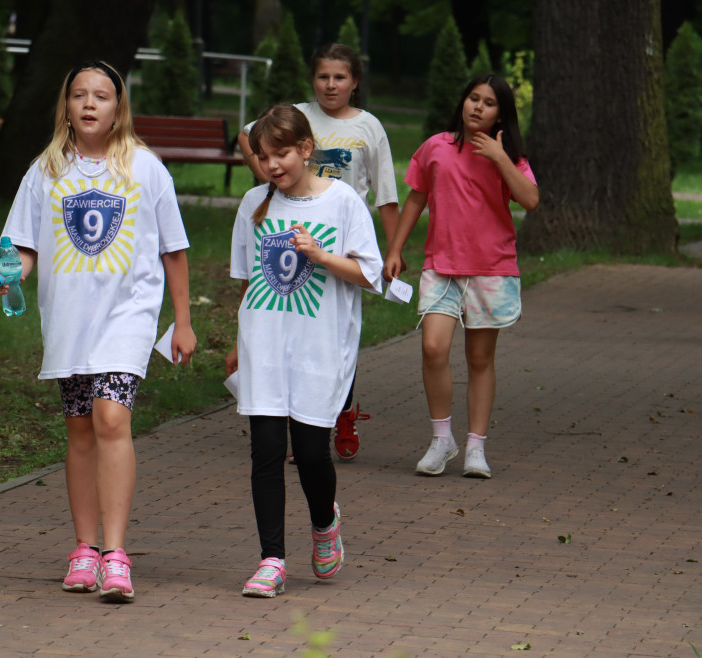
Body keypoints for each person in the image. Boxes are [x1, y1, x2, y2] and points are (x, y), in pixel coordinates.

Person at [0, 60, 196, 602]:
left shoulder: (146, 168)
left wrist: (183, 321)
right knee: (80, 428)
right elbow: (24, 245)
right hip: (69, 319)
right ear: (66, 106)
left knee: (111, 417)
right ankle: (83, 549)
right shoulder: (46, 169)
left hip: (127, 316)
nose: (88, 104)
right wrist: (11, 276)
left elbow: (174, 251)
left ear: (118, 107)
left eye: (101, 96)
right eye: (79, 95)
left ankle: (116, 554)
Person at [225, 104, 383, 597]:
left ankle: (324, 524)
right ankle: (271, 560)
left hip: (319, 349)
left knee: (312, 454)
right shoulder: (255, 204)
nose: (273, 166)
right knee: (267, 452)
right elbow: (251, 283)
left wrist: (321, 255)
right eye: (264, 156)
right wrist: (238, 343)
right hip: (265, 347)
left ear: (307, 149)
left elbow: (370, 274)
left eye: (283, 154)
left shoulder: (342, 203)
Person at [237, 43, 400, 462]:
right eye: (323, 76)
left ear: (355, 82)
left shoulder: (368, 127)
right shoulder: (297, 114)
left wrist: (393, 248)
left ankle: (334, 412)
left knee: (333, 330)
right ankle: (297, 424)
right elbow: (250, 134)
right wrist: (269, 180)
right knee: (288, 327)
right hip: (285, 232)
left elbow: (385, 194)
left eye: (340, 77)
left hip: (342, 237)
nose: (330, 84)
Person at [384, 74, 538, 479]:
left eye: (488, 103)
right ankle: (441, 440)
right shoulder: (436, 147)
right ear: (463, 101)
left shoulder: (510, 154)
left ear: (500, 114)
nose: (477, 107)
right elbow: (417, 196)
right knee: (433, 349)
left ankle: (475, 447)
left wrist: (500, 158)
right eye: (473, 98)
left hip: (492, 269)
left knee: (479, 359)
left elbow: (531, 199)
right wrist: (396, 249)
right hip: (441, 266)